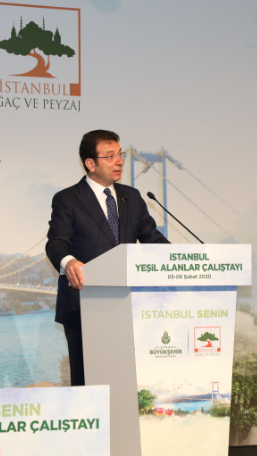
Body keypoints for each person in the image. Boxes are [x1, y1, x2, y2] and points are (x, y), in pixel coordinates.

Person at [46, 129, 169, 386]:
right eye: (110, 156)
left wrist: (183, 259)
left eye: (120, 154)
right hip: (84, 305)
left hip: (129, 305)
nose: (119, 161)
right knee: (87, 382)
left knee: (129, 382)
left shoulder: (131, 197)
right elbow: (56, 243)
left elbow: (153, 240)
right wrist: (69, 262)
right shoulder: (67, 199)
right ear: (91, 164)